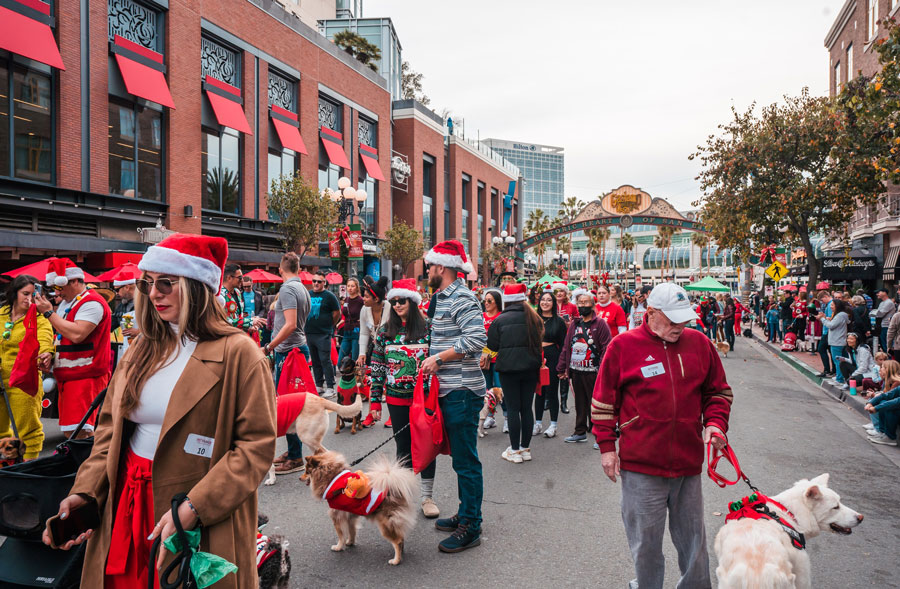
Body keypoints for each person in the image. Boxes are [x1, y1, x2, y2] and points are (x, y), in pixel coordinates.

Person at [43, 233, 276, 588]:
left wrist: (195, 507)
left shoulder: (240, 354)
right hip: (125, 501)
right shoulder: (141, 349)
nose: (154, 294)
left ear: (198, 287)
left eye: (167, 283)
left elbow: (255, 448)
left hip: (198, 509)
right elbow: (108, 432)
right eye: (148, 283)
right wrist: (85, 493)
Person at [593, 282, 733, 589]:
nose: (680, 326)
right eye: (672, 320)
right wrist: (607, 448)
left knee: (695, 546)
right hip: (641, 466)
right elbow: (604, 403)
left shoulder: (699, 343)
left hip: (687, 466)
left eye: (684, 319)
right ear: (651, 313)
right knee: (646, 547)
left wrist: (715, 423)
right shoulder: (623, 346)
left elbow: (718, 392)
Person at [420, 240, 487, 553]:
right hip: (451, 388)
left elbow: (477, 339)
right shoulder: (445, 295)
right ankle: (465, 512)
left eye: (430, 266)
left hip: (462, 389)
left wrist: (440, 358)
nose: (428, 271)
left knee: (466, 460)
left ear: (442, 268)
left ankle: (471, 524)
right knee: (461, 460)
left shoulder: (460, 295)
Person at [369, 278, 440, 517]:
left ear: (413, 301)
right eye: (394, 301)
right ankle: (404, 495)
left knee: (427, 445)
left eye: (402, 301)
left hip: (425, 398)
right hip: (397, 399)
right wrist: (375, 400)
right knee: (404, 446)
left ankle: (427, 497)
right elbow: (377, 366)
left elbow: (440, 360)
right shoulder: (385, 332)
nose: (398, 305)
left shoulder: (429, 327)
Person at [34, 258, 111, 439]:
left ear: (75, 281)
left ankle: (88, 466)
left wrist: (48, 313)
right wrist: (51, 356)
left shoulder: (92, 302)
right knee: (72, 430)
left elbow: (77, 334)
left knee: (80, 431)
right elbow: (61, 337)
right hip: (71, 375)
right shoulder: (68, 303)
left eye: (59, 287)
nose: (56, 291)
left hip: (85, 375)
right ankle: (83, 465)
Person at [485, 283, 544, 464]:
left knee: (513, 408)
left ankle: (515, 450)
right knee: (527, 408)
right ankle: (525, 449)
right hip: (531, 368)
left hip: (508, 369)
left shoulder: (500, 320)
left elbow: (492, 346)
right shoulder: (535, 318)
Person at [265, 252, 311, 475]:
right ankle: (293, 451)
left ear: (280, 269)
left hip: (289, 351)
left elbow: (291, 324)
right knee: (293, 404)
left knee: (289, 405)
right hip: (296, 348)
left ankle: (295, 456)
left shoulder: (287, 289)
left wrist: (269, 346)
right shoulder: (302, 287)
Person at [0, 275, 54, 459]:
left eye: (34, 294)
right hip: (1, 378)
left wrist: (47, 353)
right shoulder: (1, 313)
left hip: (23, 379)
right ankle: (6, 468)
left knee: (28, 429)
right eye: (25, 293)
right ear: (14, 293)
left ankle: (28, 469)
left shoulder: (39, 318)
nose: (29, 299)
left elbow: (46, 336)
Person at [557, 289, 612, 444]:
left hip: (593, 371)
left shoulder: (600, 324)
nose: (582, 306)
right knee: (580, 403)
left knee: (594, 404)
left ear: (592, 305)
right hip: (576, 370)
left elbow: (607, 348)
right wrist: (561, 367)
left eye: (586, 303)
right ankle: (580, 431)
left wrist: (602, 369)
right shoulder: (575, 324)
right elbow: (567, 347)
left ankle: (598, 435)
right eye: (580, 303)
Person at [534, 291, 566, 438]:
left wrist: (563, 365)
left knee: (552, 391)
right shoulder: (533, 318)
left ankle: (553, 425)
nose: (545, 302)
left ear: (553, 303)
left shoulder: (558, 321)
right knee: (538, 392)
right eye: (543, 300)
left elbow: (564, 344)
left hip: (552, 356)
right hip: (535, 357)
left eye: (549, 300)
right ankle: (538, 423)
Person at [306, 272, 341, 397]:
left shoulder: (329, 296)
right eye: (314, 281)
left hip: (323, 333)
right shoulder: (308, 294)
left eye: (319, 281)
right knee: (315, 361)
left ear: (324, 283)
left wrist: (330, 324)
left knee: (325, 360)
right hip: (310, 333)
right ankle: (319, 385)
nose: (316, 283)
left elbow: (337, 312)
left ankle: (331, 387)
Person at [479, 289, 504, 431]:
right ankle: (490, 417)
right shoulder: (481, 317)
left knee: (500, 389)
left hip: (499, 359)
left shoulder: (502, 316)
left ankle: (506, 418)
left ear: (497, 303)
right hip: (484, 360)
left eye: (490, 301)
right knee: (486, 391)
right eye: (485, 301)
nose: (486, 303)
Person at [220, 263, 265, 334]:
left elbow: (238, 317)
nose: (242, 281)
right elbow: (224, 321)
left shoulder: (237, 292)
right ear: (229, 278)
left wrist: (248, 327)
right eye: (240, 278)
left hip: (238, 335)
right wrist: (250, 321)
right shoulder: (220, 295)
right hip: (225, 337)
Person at [819, 298, 851, 384]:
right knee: (843, 360)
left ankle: (839, 379)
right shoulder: (842, 315)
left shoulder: (840, 315)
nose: (831, 306)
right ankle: (843, 377)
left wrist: (822, 319)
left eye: (832, 305)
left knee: (837, 361)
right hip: (841, 340)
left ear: (837, 306)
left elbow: (831, 325)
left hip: (836, 341)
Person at [110, 270, 140, 354]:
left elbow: (160, 328)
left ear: (127, 287)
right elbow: (110, 325)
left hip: (146, 352)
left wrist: (139, 332)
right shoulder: (120, 307)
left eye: (117, 290)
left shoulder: (147, 303)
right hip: (127, 351)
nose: (116, 293)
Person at [339, 277, 364, 365]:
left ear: (357, 287)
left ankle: (356, 378)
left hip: (356, 332)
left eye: (352, 286)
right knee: (340, 362)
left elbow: (368, 312)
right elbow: (344, 315)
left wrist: (362, 320)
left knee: (354, 361)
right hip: (346, 332)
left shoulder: (361, 301)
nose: (350, 288)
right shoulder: (346, 299)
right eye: (348, 286)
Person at [815, 291, 836, 377]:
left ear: (826, 296)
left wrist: (823, 318)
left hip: (827, 331)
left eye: (822, 300)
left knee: (821, 349)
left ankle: (827, 369)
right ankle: (832, 370)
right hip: (827, 330)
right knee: (830, 351)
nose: (822, 302)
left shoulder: (831, 305)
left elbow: (831, 318)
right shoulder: (830, 305)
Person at [874, 288, 896, 353]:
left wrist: (874, 313)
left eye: (878, 292)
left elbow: (880, 314)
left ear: (885, 293)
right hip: (883, 325)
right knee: (884, 344)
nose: (877, 294)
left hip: (887, 325)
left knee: (887, 344)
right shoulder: (882, 303)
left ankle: (889, 359)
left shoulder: (888, 302)